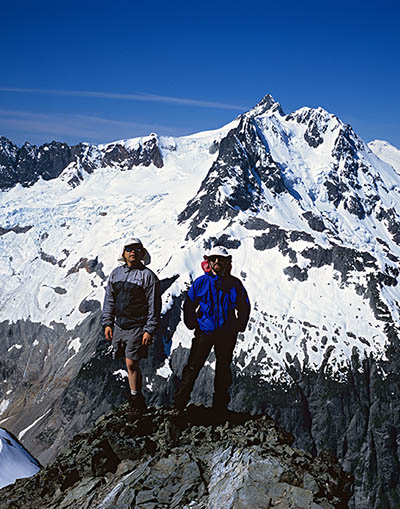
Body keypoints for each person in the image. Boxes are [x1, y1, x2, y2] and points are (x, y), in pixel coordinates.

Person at [174, 246, 250, 418]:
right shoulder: (202, 282)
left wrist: (239, 325)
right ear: (208, 261)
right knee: (193, 367)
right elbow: (189, 304)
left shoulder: (234, 284)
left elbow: (244, 306)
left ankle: (219, 408)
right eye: (214, 259)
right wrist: (191, 323)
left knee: (222, 370)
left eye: (220, 259)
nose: (217, 262)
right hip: (205, 332)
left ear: (226, 263)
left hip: (225, 333)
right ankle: (179, 404)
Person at [102, 238, 161, 414]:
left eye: (136, 249)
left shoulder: (148, 276)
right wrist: (108, 323)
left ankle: (136, 399)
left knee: (131, 363)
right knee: (128, 363)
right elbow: (109, 299)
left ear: (142, 253)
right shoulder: (115, 274)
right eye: (129, 249)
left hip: (137, 326)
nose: (132, 252)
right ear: (124, 253)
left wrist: (149, 329)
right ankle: (135, 398)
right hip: (119, 325)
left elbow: (154, 305)